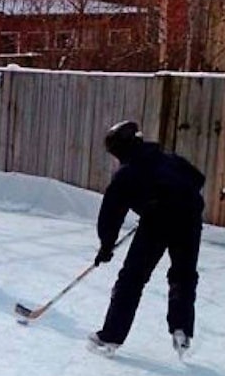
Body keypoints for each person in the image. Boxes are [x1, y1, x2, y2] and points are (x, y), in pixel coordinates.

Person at [88, 120, 205, 357]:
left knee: (132, 278)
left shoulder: (127, 173)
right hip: (190, 218)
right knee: (183, 275)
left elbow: (111, 213)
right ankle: (181, 329)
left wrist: (106, 246)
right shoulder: (168, 158)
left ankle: (111, 336)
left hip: (157, 222)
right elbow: (197, 179)